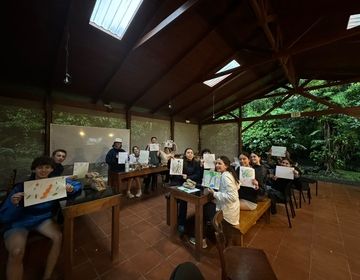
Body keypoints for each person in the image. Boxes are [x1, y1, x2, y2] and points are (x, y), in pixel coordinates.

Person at [0, 156, 79, 280]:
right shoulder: (22, 186)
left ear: (52, 169)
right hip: (19, 221)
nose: (43, 170)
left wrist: (71, 189)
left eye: (47, 167)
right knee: (16, 251)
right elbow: (4, 215)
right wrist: (14, 203)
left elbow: (75, 184)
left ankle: (47, 276)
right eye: (40, 167)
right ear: (34, 169)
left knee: (58, 237)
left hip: (42, 218)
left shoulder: (54, 184)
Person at [207, 156, 241, 246]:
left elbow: (232, 196)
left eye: (220, 164)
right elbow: (238, 185)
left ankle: (216, 233)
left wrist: (215, 194)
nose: (217, 165)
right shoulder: (228, 173)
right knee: (210, 205)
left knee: (207, 207)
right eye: (216, 163)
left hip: (228, 212)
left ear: (226, 165)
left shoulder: (225, 177)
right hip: (232, 207)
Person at [170, 148, 202, 234]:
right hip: (182, 184)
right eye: (188, 152)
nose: (190, 154)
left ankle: (199, 221)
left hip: (192, 184)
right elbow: (175, 172)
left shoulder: (196, 163)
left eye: (191, 152)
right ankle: (181, 223)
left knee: (199, 199)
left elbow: (198, 174)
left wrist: (188, 177)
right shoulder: (181, 162)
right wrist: (171, 161)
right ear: (185, 154)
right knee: (183, 201)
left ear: (193, 155)